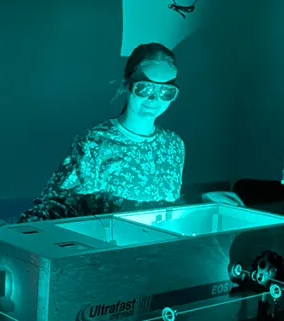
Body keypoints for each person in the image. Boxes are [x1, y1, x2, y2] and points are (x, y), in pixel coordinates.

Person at [19, 43, 187, 223]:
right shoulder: (96, 143)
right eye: (144, 88)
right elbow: (55, 208)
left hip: (160, 245)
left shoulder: (173, 145)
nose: (154, 99)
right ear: (127, 86)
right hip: (111, 245)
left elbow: (171, 209)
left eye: (166, 92)